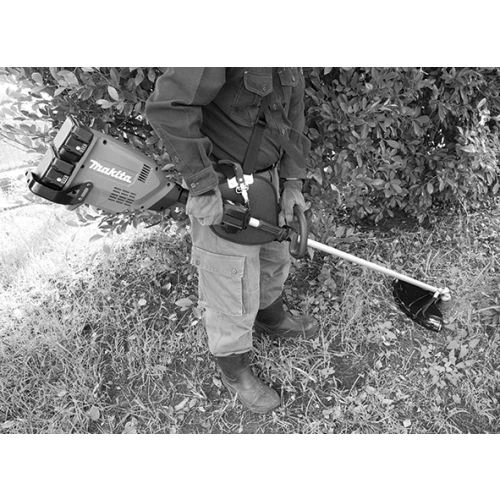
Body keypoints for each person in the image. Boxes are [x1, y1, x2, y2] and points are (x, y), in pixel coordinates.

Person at [145, 68, 318, 414]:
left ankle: (270, 317)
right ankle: (234, 370)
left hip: (269, 181)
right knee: (230, 284)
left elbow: (293, 114)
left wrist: (293, 182)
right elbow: (170, 107)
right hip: (224, 188)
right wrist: (202, 185)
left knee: (274, 258)